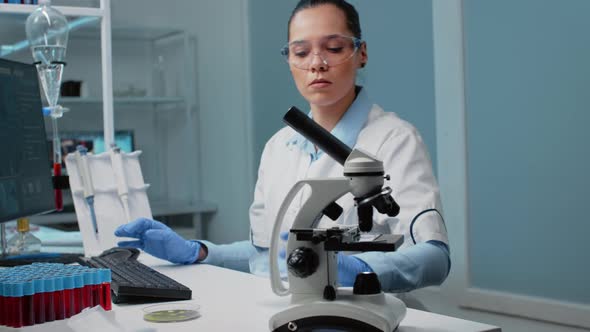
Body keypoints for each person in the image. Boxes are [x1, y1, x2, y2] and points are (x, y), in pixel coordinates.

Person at [115, 0, 450, 294]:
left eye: (333, 48)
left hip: (369, 309)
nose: (317, 63)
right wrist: (199, 252)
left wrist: (358, 269)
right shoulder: (279, 147)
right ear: (289, 59)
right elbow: (268, 254)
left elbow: (434, 257)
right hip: (283, 309)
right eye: (301, 52)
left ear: (361, 53)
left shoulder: (395, 139)